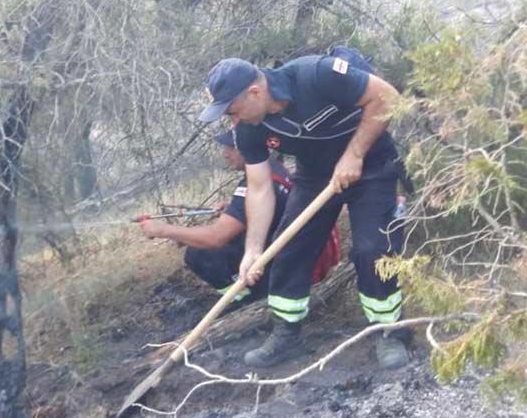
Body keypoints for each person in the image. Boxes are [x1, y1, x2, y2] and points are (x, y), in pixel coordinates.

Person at [197, 49, 412, 370]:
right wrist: (253, 250)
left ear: (255, 93)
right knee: (288, 247)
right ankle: (288, 333)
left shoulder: (318, 75)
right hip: (315, 176)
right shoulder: (249, 129)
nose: (233, 120)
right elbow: (259, 187)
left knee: (372, 248)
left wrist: (354, 155)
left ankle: (388, 331)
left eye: (232, 110)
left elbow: (387, 96)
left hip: (372, 165)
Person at [138, 130, 339, 306]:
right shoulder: (272, 168)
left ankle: (248, 301)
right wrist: (235, 208)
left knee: (199, 254)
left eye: (231, 148)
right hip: (306, 254)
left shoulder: (258, 181)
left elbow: (216, 237)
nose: (225, 154)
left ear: (249, 146)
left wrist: (163, 230)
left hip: (299, 267)